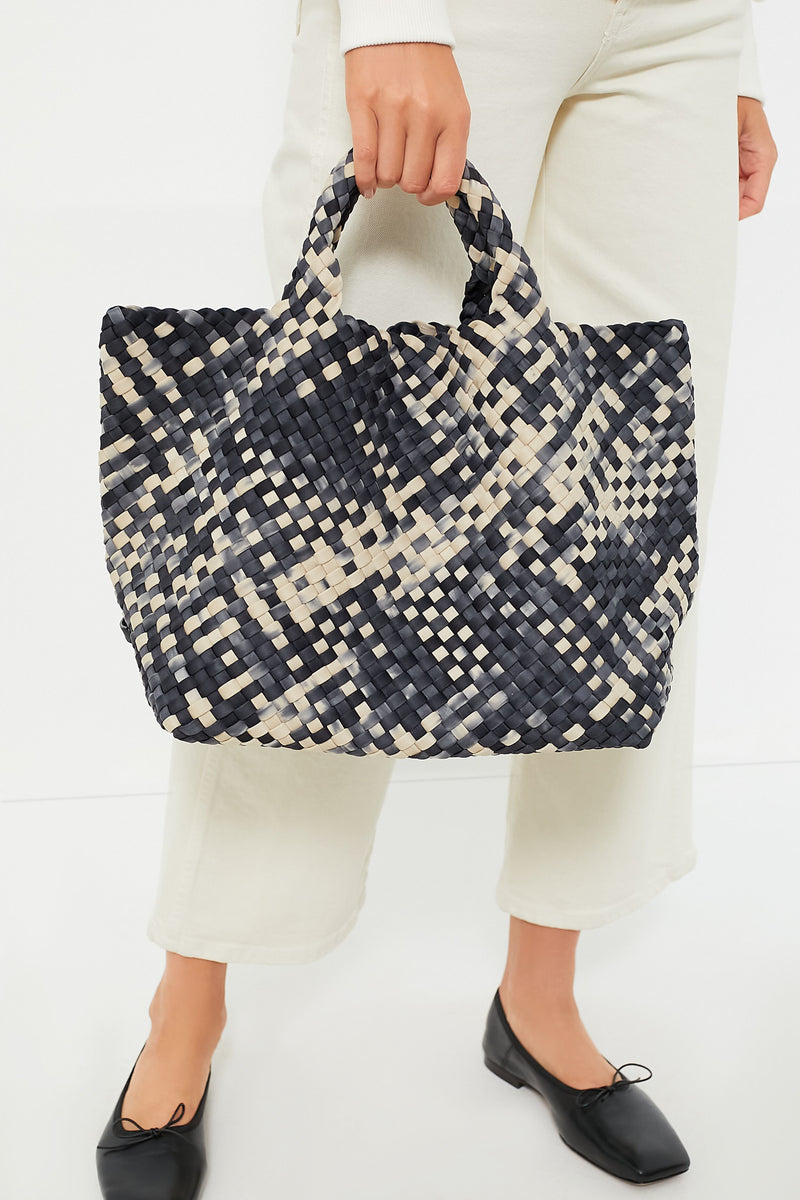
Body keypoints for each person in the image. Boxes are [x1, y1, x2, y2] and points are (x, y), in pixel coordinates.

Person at [96, 1, 778, 1195]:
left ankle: (538, 1002)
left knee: (618, 532)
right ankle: (187, 1005)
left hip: (679, 25)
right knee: (312, 522)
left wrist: (743, 51)